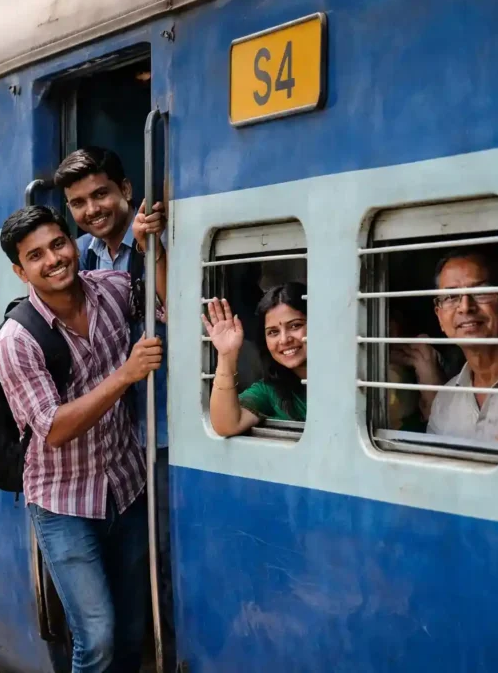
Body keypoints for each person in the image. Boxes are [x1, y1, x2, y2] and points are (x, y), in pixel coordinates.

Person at [0, 204, 165, 673]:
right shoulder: (17, 340)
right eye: (36, 255)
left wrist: (153, 247)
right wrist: (125, 375)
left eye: (58, 244)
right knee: (98, 636)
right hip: (63, 503)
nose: (53, 259)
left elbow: (166, 304)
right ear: (19, 270)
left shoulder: (109, 289)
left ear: (74, 244)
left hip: (126, 488)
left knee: (132, 632)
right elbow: (52, 428)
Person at [55, 146, 177, 666]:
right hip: (113, 441)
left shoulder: (155, 236)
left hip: (163, 427)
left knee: (164, 571)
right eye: (79, 202)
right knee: (117, 597)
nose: (92, 209)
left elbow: (178, 315)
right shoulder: (78, 256)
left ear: (126, 190)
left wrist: (154, 252)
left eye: (101, 194)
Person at [426, 248, 498, 441]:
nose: (465, 307)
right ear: (439, 316)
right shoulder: (446, 400)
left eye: (480, 292)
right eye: (451, 297)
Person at [203, 282, 308, 436]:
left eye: (295, 326)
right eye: (273, 332)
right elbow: (226, 425)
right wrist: (226, 356)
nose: (284, 340)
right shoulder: (270, 391)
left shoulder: (347, 379)